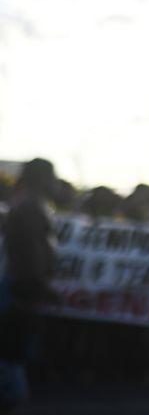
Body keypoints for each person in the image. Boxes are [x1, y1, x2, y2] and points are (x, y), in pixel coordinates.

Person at [0, 159, 58, 411]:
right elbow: (32, 254)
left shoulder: (28, 206)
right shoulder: (31, 209)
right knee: (12, 355)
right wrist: (39, 285)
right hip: (21, 288)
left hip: (19, 286)